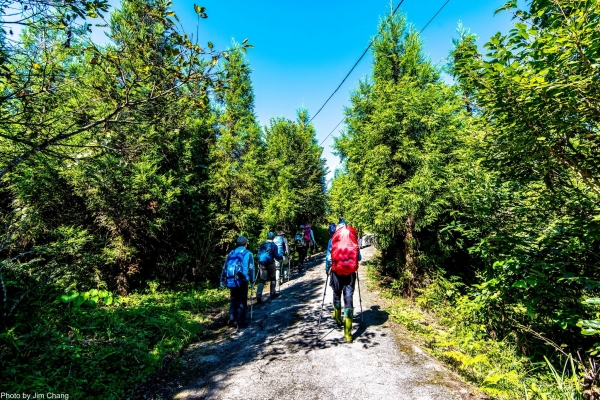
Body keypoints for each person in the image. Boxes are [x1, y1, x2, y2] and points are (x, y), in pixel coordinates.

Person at [325, 217, 361, 342]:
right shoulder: (352, 238)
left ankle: (337, 317)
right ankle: (348, 334)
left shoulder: (333, 238)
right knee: (348, 297)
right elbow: (359, 257)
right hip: (350, 273)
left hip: (336, 271)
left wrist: (326, 268)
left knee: (336, 293)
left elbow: (329, 258)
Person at [221, 236, 255, 329]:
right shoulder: (248, 253)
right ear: (246, 244)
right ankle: (241, 321)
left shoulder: (232, 253)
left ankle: (231, 318)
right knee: (242, 300)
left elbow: (224, 267)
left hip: (231, 279)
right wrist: (252, 280)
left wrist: (222, 279)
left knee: (233, 298)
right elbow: (251, 268)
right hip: (242, 279)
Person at [256, 231, 283, 304]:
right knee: (273, 277)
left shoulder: (262, 244)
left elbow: (258, 254)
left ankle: (258, 295)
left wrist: (259, 261)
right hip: (270, 263)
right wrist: (281, 257)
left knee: (262, 280)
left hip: (262, 263)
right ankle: (272, 293)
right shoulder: (273, 245)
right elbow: (276, 256)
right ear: (273, 237)